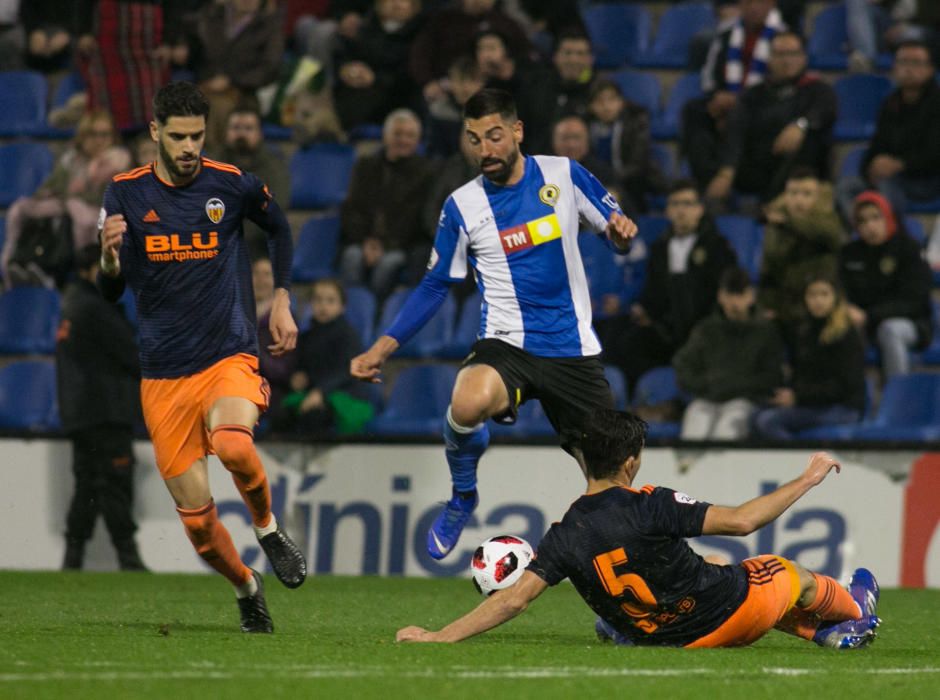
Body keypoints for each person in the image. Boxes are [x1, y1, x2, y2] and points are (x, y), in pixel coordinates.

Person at [350, 88, 638, 560]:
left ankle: (614, 600)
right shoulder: (461, 206)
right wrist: (383, 346)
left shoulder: (563, 174)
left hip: (572, 349)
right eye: (474, 139)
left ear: (517, 131)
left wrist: (620, 232)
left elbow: (615, 228)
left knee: (611, 485)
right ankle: (464, 493)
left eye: (495, 136)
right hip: (508, 344)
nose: (485, 149)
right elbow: (433, 285)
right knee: (467, 400)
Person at [396, 409, 881, 649]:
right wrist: (807, 478)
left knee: (709, 565)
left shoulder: (563, 533)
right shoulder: (651, 503)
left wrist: (441, 636)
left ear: (584, 461)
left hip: (660, 639)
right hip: (722, 618)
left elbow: (513, 599)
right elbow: (743, 520)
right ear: (631, 461)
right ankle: (855, 608)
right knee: (783, 573)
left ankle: (824, 635)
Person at [97, 81, 305, 634]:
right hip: (163, 374)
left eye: (197, 136)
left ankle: (266, 528)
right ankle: (246, 586)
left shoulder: (231, 185)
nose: (189, 147)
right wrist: (110, 262)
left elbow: (280, 227)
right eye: (179, 136)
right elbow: (108, 291)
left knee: (235, 444)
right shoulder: (122, 194)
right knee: (198, 525)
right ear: (155, 133)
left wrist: (281, 296)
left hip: (226, 354)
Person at [57, 243, 146, 572]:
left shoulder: (71, 304)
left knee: (87, 484)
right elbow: (132, 356)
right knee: (115, 482)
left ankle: (73, 556)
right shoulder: (95, 308)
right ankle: (128, 556)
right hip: (106, 411)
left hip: (81, 413)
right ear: (90, 269)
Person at [600, 181, 738, 392]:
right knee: (624, 339)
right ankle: (636, 401)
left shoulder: (718, 246)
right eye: (675, 204)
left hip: (703, 328)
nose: (681, 210)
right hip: (665, 329)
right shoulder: (660, 248)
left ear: (700, 209)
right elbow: (653, 291)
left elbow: (720, 291)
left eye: (688, 204)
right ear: (667, 210)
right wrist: (644, 310)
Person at [2, 109, 131, 288]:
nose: (100, 140)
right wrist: (56, 197)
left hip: (99, 217)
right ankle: (20, 263)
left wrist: (71, 197)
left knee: (77, 213)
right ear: (83, 136)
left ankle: (65, 270)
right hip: (64, 209)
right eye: (93, 134)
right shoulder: (71, 160)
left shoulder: (119, 162)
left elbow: (106, 198)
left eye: (105, 134)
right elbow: (48, 187)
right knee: (22, 209)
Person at [712, 31, 837, 205]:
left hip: (798, 171)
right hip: (757, 166)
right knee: (699, 114)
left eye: (793, 54)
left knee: (809, 139)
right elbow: (737, 129)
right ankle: (703, 200)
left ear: (803, 57)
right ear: (769, 58)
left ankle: (774, 205)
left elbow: (825, 110)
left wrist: (800, 125)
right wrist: (727, 169)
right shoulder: (753, 94)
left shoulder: (818, 90)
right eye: (780, 54)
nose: (787, 60)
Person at [673, 267, 784, 440]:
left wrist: (733, 386)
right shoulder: (706, 330)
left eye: (740, 294)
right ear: (720, 296)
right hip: (707, 399)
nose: (734, 302)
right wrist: (707, 384)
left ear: (751, 296)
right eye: (729, 294)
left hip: (745, 401)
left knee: (727, 431)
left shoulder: (766, 332)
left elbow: (772, 377)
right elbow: (683, 366)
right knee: (694, 430)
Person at [752, 274, 866, 439]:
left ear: (836, 298)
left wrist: (799, 397)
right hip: (812, 403)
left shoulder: (846, 334)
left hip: (842, 407)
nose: (818, 300)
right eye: (812, 294)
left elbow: (843, 387)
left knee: (768, 421)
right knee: (753, 417)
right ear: (805, 298)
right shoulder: (805, 330)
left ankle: (796, 464)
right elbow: (801, 373)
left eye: (824, 294)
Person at [836, 41, 940, 219]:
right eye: (903, 62)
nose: (908, 69)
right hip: (892, 175)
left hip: (926, 180)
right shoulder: (890, 103)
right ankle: (865, 232)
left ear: (930, 69)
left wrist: (899, 165)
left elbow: (934, 155)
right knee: (846, 187)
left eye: (916, 63)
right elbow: (877, 143)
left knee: (886, 185)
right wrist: (871, 167)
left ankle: (891, 239)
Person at [339, 108, 435, 298]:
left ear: (418, 140)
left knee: (387, 265)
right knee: (351, 257)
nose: (404, 140)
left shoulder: (426, 173)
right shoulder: (365, 166)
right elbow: (352, 209)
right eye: (398, 134)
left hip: (400, 246)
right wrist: (366, 241)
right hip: (363, 241)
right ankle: (353, 310)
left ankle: (377, 314)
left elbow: (415, 218)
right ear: (385, 135)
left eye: (410, 135)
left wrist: (385, 245)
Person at [840, 191, 932, 379]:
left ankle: (898, 395)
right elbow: (841, 291)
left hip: (911, 323)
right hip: (865, 324)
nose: (870, 226)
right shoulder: (849, 254)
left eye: (876, 217)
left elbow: (915, 302)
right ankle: (847, 399)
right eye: (863, 221)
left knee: (889, 329)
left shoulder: (908, 248)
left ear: (888, 217)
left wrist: (869, 315)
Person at [280, 278, 374, 435]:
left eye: (330, 301)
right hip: (314, 394)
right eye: (318, 300)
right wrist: (299, 376)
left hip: (345, 396)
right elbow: (303, 365)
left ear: (342, 307)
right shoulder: (307, 336)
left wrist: (320, 392)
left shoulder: (348, 335)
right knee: (281, 415)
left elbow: (347, 370)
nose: (323, 305)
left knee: (314, 417)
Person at [758, 167, 845, 324]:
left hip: (822, 308)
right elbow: (768, 272)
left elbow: (829, 235)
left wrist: (788, 222)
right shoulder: (776, 225)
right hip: (785, 307)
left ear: (818, 196)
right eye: (793, 193)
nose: (799, 200)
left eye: (806, 194)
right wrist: (767, 306)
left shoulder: (828, 220)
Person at [212, 104, 291, 261]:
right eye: (235, 128)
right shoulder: (212, 164)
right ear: (226, 132)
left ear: (260, 134)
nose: (241, 134)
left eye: (248, 128)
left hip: (258, 242)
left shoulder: (274, 165)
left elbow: (276, 207)